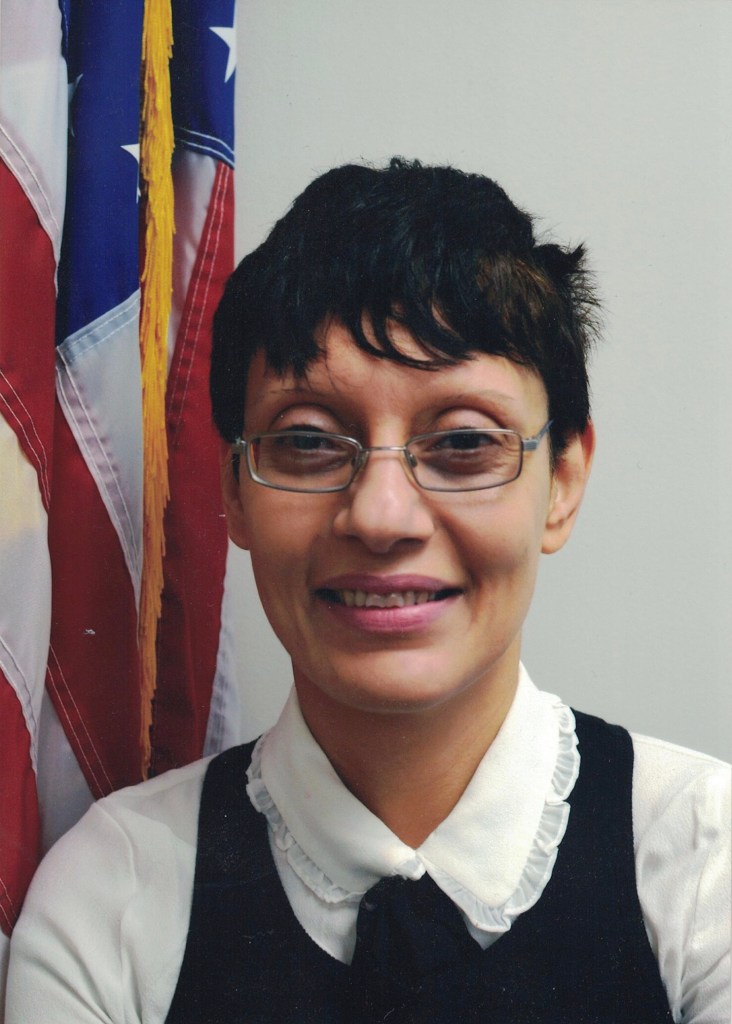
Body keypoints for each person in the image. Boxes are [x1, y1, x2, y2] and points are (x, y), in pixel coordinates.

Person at [5, 159, 730, 1023]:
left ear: (563, 482)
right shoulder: (111, 897)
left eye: (465, 443)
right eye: (309, 442)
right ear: (234, 491)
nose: (382, 517)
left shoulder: (704, 863)